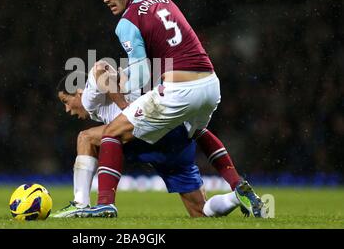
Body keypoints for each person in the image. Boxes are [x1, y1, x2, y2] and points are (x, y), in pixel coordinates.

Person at [77, 0, 264, 218]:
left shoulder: (127, 21)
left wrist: (125, 86)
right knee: (195, 131)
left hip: (180, 90)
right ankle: (235, 187)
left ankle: (105, 203)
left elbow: (143, 70)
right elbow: (168, 50)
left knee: (112, 132)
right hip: (210, 85)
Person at [51, 66, 242, 218]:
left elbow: (101, 69)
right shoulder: (107, 99)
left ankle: (82, 203)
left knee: (86, 137)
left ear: (78, 92)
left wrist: (125, 108)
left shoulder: (89, 97)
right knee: (201, 212)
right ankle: (236, 197)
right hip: (172, 139)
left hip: (146, 128)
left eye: (65, 101)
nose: (68, 109)